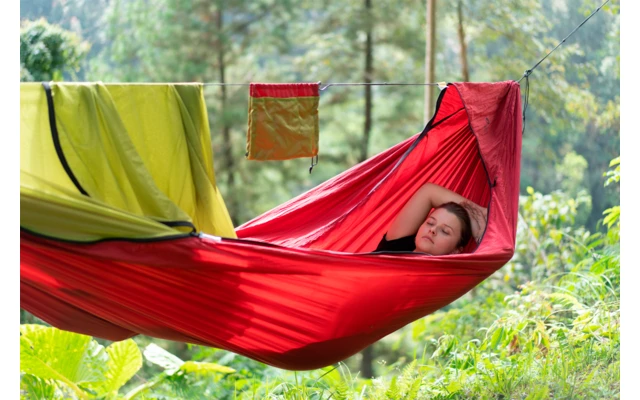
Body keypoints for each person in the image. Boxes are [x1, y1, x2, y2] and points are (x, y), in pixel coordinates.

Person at [375, 183, 487, 255]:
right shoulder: (396, 247)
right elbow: (429, 192)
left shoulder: (446, 279)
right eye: (430, 223)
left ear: (456, 251)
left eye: (445, 231)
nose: (432, 230)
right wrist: (478, 214)